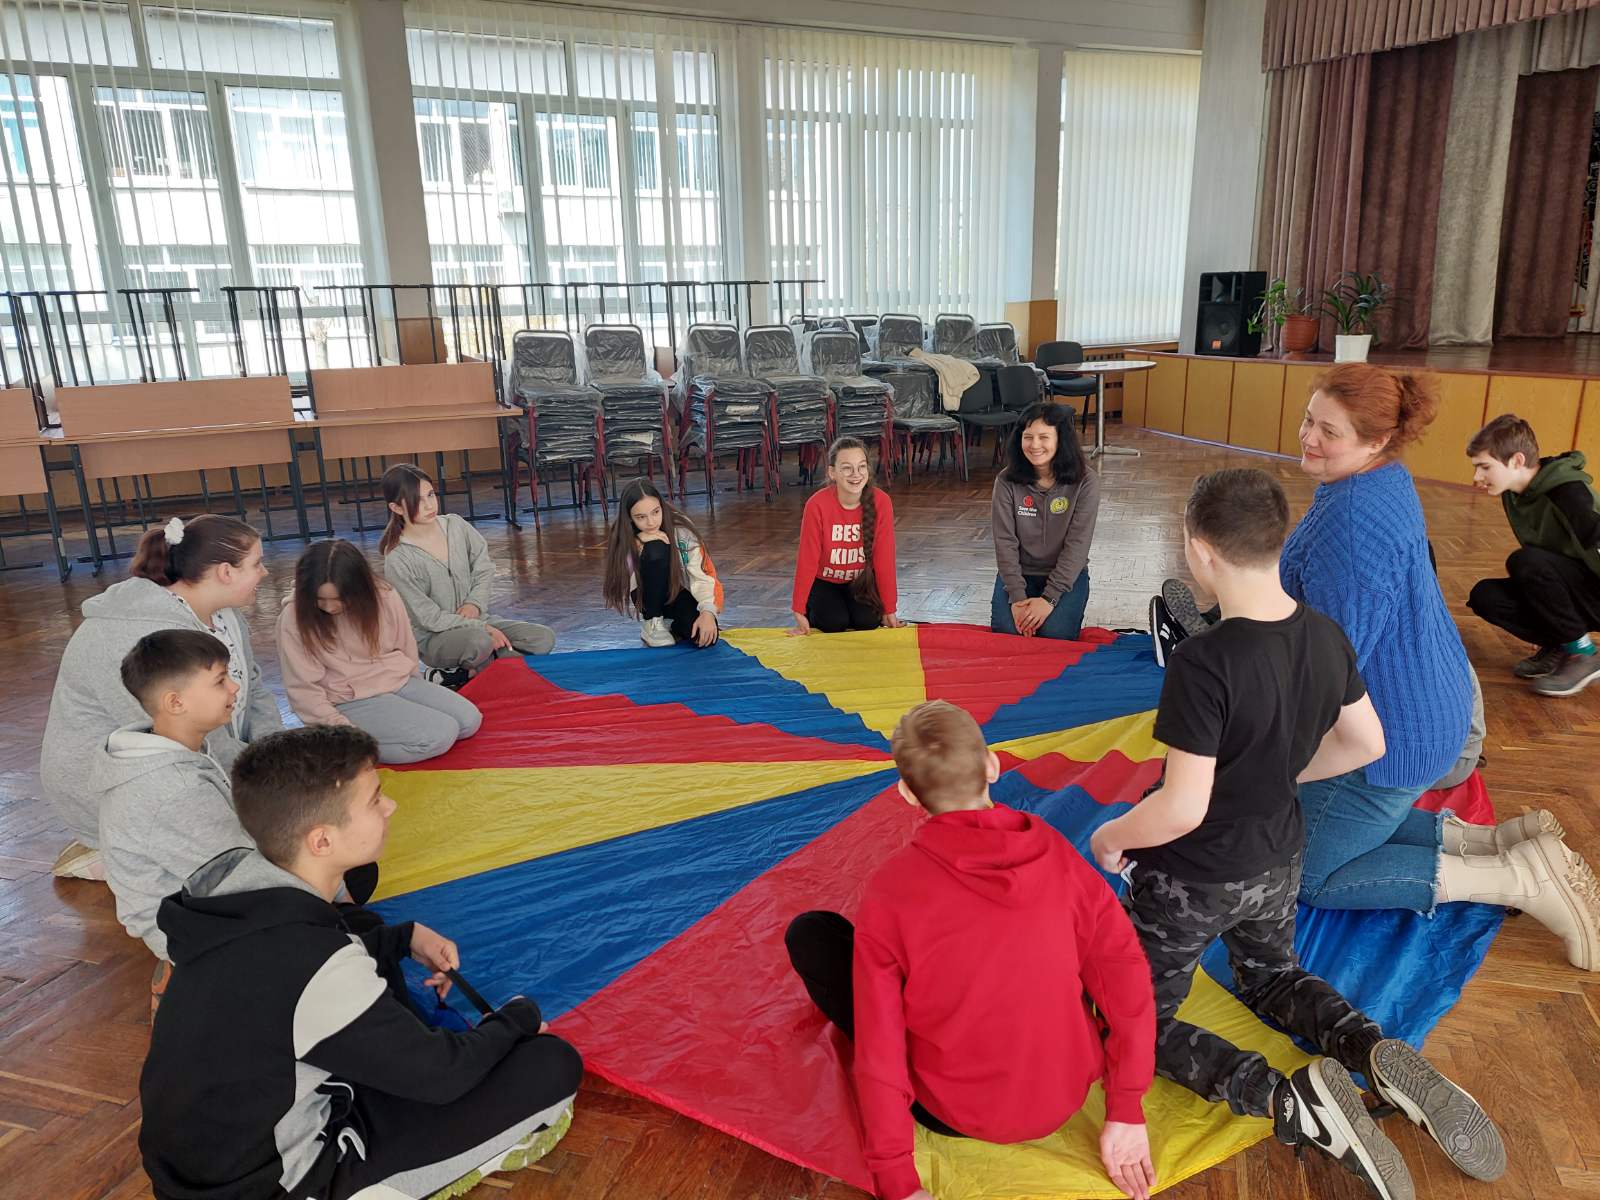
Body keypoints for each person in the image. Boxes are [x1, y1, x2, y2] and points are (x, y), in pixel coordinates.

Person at [1091, 469, 1507, 1200]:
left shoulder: (1202, 661)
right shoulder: (1324, 634)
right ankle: (1369, 1050)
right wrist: (1279, 770)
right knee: (1273, 976)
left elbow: (1182, 809)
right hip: (1281, 857)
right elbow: (1366, 742)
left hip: (1195, 877)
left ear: (1200, 551)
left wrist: (1112, 834)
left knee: (1130, 1018)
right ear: (1278, 545)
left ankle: (1290, 1099)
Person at [138, 725, 583, 1200]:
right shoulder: (312, 962)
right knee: (550, 1064)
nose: (390, 807)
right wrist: (516, 1019)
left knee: (361, 924)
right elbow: (442, 1075)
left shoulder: (237, 889)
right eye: (374, 800)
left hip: (206, 1161)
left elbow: (303, 967)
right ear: (322, 841)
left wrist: (403, 939)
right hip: (275, 1184)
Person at [786, 701, 1157, 1200]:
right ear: (993, 765)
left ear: (906, 793)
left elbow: (881, 1043)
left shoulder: (892, 890)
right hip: (1063, 1096)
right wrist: (1126, 1108)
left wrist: (898, 1181)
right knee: (1081, 951)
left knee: (813, 933)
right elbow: (1126, 981)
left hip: (950, 1113)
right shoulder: (1058, 856)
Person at [40, 514, 280, 880]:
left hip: (198, 766)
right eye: (257, 564)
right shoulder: (142, 637)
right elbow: (183, 736)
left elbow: (255, 687)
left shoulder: (226, 616)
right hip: (109, 785)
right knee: (266, 848)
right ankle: (109, 845)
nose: (265, 572)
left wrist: (276, 757)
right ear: (225, 572)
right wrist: (268, 785)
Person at [94, 631, 247, 1013]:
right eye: (220, 681)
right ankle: (189, 982)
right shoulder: (174, 788)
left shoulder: (177, 747)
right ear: (176, 702)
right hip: (187, 926)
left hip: (194, 896)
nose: (234, 687)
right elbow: (237, 877)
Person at [278, 539, 482, 763]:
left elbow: (406, 646)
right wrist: (342, 732)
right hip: (347, 699)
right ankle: (335, 746)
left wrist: (416, 694)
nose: (329, 607)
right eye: (320, 599)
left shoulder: (384, 595)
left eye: (338, 599)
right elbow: (303, 690)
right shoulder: (293, 618)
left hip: (397, 682)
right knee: (438, 736)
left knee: (469, 721)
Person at [1465, 413, 1600, 697]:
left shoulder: (1568, 493)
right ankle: (1562, 643)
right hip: (1572, 589)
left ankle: (1583, 653)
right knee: (1486, 596)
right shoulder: (1515, 495)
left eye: (1484, 467)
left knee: (1526, 562)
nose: (1477, 477)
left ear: (1516, 461)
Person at [380, 464, 556, 672]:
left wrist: (474, 604)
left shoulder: (456, 526)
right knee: (480, 641)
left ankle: (474, 671)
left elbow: (484, 568)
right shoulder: (398, 558)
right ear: (396, 508)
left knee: (543, 638)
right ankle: (492, 666)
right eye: (417, 500)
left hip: (480, 620)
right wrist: (482, 628)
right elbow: (428, 618)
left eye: (430, 495)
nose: (429, 505)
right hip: (435, 637)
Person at [990, 401, 1100, 639]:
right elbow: (1005, 543)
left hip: (1066, 577)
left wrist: (1049, 599)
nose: (1035, 445)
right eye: (1028, 437)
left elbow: (1077, 546)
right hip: (1019, 574)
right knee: (1008, 633)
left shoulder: (1086, 481)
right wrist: (1018, 599)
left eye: (1044, 437)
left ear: (1061, 440)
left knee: (1054, 635)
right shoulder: (1005, 481)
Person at [790, 437, 902, 635]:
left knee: (867, 622)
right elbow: (807, 560)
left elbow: (884, 559)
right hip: (824, 581)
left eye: (861, 467)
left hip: (861, 581)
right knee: (834, 623)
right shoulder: (816, 505)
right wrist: (798, 609)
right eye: (847, 468)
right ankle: (813, 607)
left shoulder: (881, 502)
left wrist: (889, 609)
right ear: (832, 472)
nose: (856, 474)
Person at [601, 479, 724, 648]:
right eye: (641, 517)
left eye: (655, 512)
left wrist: (708, 611)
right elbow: (624, 578)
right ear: (629, 517)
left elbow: (702, 573)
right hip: (647, 595)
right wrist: (638, 544)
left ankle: (670, 623)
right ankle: (652, 621)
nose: (651, 522)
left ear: (662, 506)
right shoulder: (623, 534)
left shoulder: (682, 528)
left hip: (676, 592)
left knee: (705, 637)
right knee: (655, 548)